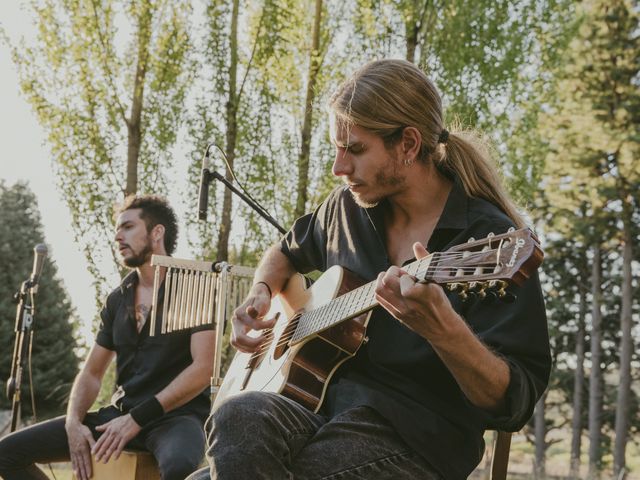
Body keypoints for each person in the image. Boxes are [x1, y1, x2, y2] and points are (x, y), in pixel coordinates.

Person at [188, 59, 551, 480]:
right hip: (313, 409)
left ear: (409, 145)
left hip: (414, 436)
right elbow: (285, 251)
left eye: (355, 150)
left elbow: (512, 401)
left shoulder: (491, 240)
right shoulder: (347, 206)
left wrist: (442, 330)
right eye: (336, 150)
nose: (339, 169)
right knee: (237, 413)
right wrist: (261, 292)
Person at [0, 195, 215, 480]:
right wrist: (73, 422)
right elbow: (91, 372)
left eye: (127, 227)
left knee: (179, 467)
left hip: (176, 418)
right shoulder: (117, 299)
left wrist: (138, 418)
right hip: (118, 416)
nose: (117, 236)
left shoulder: (194, 287)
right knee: (6, 454)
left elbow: (203, 369)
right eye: (117, 229)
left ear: (157, 232)